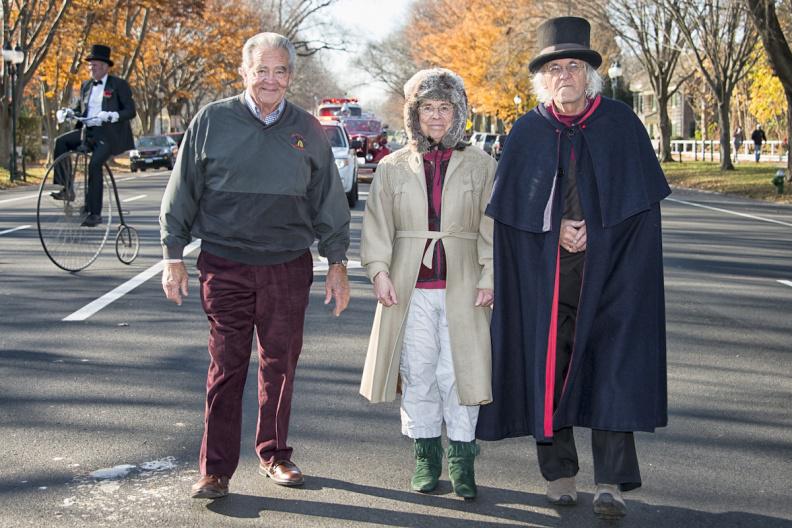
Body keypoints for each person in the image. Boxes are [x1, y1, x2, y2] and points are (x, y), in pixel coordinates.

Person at [476, 16, 670, 520]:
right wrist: (553, 228)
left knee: (613, 370)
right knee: (549, 370)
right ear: (544, 79)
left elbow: (642, 210)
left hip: (611, 280)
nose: (565, 75)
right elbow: (511, 214)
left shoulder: (621, 124)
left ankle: (610, 480)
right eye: (556, 68)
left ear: (590, 76)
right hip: (548, 280)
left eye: (575, 66)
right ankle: (559, 472)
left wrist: (600, 235)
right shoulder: (527, 131)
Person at [159, 32, 351, 500]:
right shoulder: (211, 120)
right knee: (226, 366)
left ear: (290, 75)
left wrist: (338, 262)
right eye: (260, 70)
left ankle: (275, 454)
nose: (270, 80)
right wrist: (172, 255)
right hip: (225, 263)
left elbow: (328, 201)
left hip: (287, 265)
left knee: (280, 365)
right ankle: (214, 469)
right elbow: (181, 190)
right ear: (244, 73)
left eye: (279, 71)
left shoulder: (308, 129)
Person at [359, 68, 496, 500]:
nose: (436, 117)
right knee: (417, 372)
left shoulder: (482, 165)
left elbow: (493, 226)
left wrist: (490, 274)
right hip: (409, 286)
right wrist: (379, 271)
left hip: (464, 284)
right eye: (427, 108)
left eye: (444, 108)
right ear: (414, 114)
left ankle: (461, 456)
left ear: (458, 113)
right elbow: (377, 224)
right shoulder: (393, 167)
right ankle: (425, 453)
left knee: (459, 373)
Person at [52, 44, 136, 227]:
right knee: (60, 142)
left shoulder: (119, 85)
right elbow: (81, 110)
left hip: (108, 134)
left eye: (95, 65)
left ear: (106, 67)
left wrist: (114, 115)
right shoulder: (86, 85)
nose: (91, 68)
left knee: (95, 165)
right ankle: (67, 188)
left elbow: (130, 110)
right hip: (87, 131)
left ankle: (95, 213)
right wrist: (67, 112)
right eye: (89, 65)